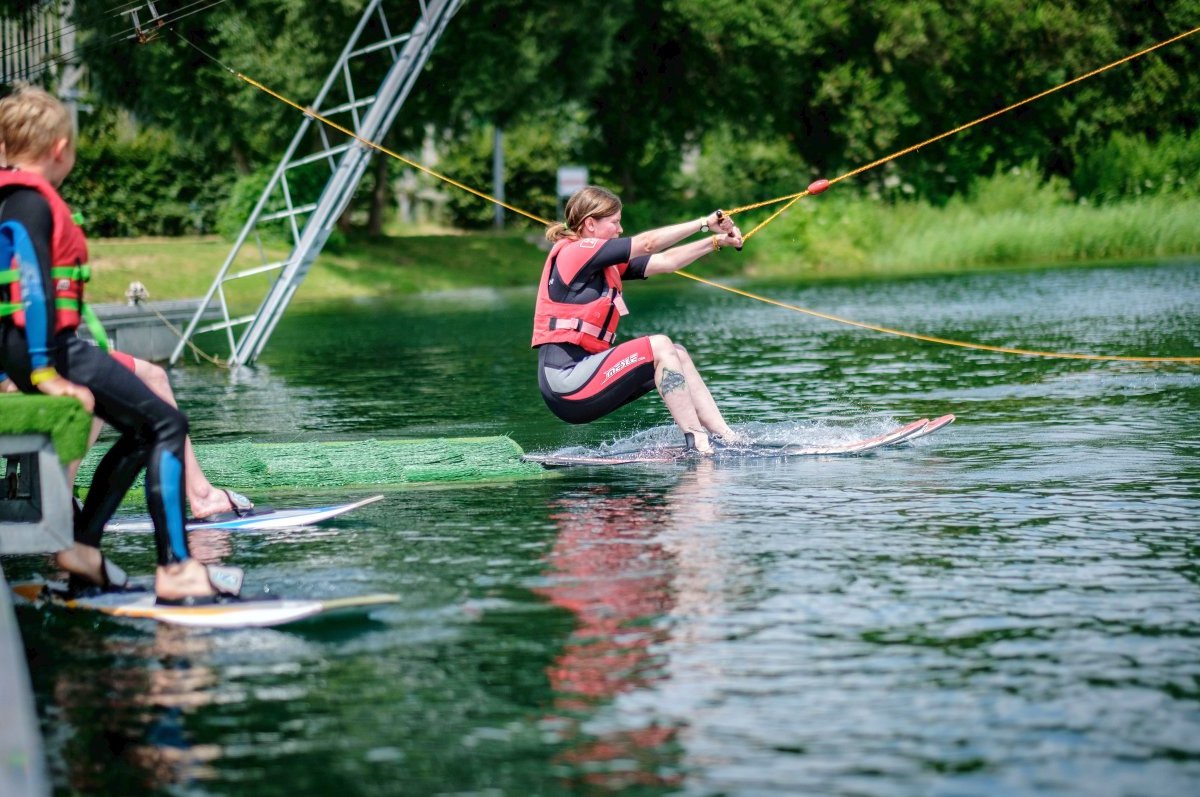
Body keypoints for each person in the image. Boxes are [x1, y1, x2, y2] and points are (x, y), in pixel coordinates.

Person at [0, 85, 245, 603]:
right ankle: (177, 569)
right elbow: (36, 290)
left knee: (143, 429)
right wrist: (45, 373)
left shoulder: (9, 196)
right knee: (168, 423)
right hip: (42, 346)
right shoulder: (28, 202)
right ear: (60, 148)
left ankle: (84, 552)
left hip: (23, 345)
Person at [532, 185, 746, 454]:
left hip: (587, 381)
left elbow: (666, 261)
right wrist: (704, 223)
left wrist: (717, 241)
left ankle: (727, 437)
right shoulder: (576, 252)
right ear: (590, 225)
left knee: (676, 353)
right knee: (659, 345)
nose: (620, 230)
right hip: (566, 386)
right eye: (615, 223)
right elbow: (648, 244)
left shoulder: (602, 264)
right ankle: (697, 442)